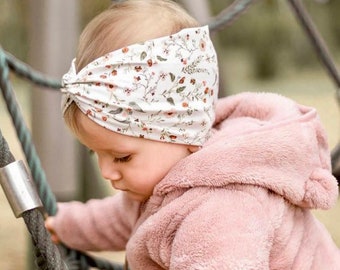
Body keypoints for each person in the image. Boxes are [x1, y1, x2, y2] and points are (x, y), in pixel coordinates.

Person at [46, 0, 340, 269]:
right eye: (94, 152)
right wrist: (64, 224)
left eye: (121, 157)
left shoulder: (221, 209)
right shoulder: (160, 180)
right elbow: (116, 219)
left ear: (181, 133)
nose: (106, 171)